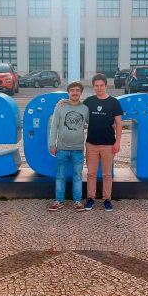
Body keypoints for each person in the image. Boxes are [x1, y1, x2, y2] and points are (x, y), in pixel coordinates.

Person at [83, 73, 123, 212]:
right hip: (91, 144)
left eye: (101, 85)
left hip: (108, 145)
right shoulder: (88, 101)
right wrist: (63, 102)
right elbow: (76, 109)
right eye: (96, 86)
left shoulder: (114, 102)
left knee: (107, 174)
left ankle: (107, 199)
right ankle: (90, 198)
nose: (99, 88)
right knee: (91, 174)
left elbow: (118, 123)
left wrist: (117, 142)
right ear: (93, 86)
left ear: (106, 86)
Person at [48, 81, 89, 212]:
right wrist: (51, 144)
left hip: (78, 149)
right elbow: (54, 126)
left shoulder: (85, 108)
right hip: (61, 148)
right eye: (72, 90)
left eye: (77, 90)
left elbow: (94, 124)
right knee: (60, 176)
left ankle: (77, 201)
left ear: (81, 93)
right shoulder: (60, 106)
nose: (75, 92)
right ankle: (58, 200)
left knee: (77, 176)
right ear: (68, 92)